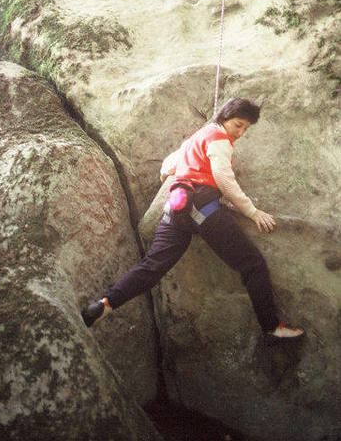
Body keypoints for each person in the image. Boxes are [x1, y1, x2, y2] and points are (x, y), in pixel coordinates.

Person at [81, 98, 304, 342]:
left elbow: (167, 166)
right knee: (253, 264)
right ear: (224, 118)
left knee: (153, 266)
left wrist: (185, 170)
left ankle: (105, 303)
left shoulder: (198, 137)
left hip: (175, 206)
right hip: (204, 209)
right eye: (238, 125)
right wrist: (253, 212)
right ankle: (272, 328)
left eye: (245, 129)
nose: (240, 133)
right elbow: (223, 178)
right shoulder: (220, 140)